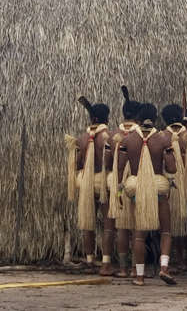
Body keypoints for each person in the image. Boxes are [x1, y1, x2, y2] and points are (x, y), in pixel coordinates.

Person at [118, 102, 178, 286]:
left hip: (136, 189)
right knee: (166, 231)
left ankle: (140, 276)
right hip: (158, 190)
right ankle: (164, 268)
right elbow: (172, 168)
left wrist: (120, 189)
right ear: (155, 117)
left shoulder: (127, 141)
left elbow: (120, 168)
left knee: (139, 235)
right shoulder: (162, 139)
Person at [67, 96, 111, 272]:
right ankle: (106, 263)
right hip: (103, 181)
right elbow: (111, 161)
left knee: (88, 221)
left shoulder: (82, 139)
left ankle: (89, 260)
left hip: (85, 182)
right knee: (108, 224)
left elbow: (77, 164)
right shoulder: (107, 137)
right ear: (106, 118)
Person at [104, 87, 140, 277]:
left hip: (117, 186)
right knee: (135, 227)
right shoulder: (141, 136)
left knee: (120, 227)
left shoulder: (111, 135)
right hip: (135, 186)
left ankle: (123, 268)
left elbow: (108, 163)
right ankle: (136, 268)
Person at [160, 103, 187, 272]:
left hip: (167, 181)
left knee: (169, 222)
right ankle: (185, 259)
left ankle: (173, 259)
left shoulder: (161, 136)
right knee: (185, 219)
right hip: (186, 182)